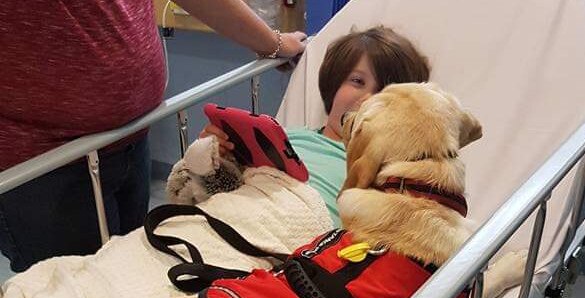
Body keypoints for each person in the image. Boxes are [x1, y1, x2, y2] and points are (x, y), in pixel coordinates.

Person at [0, 0, 306, 272]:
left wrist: (273, 43)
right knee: (72, 296)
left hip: (130, 139)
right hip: (43, 161)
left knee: (130, 271)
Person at [200, 26, 430, 226]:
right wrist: (215, 155)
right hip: (239, 215)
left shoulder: (393, 171)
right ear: (334, 84)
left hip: (298, 245)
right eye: (358, 81)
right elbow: (221, 186)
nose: (369, 98)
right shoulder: (285, 137)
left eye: (385, 92)